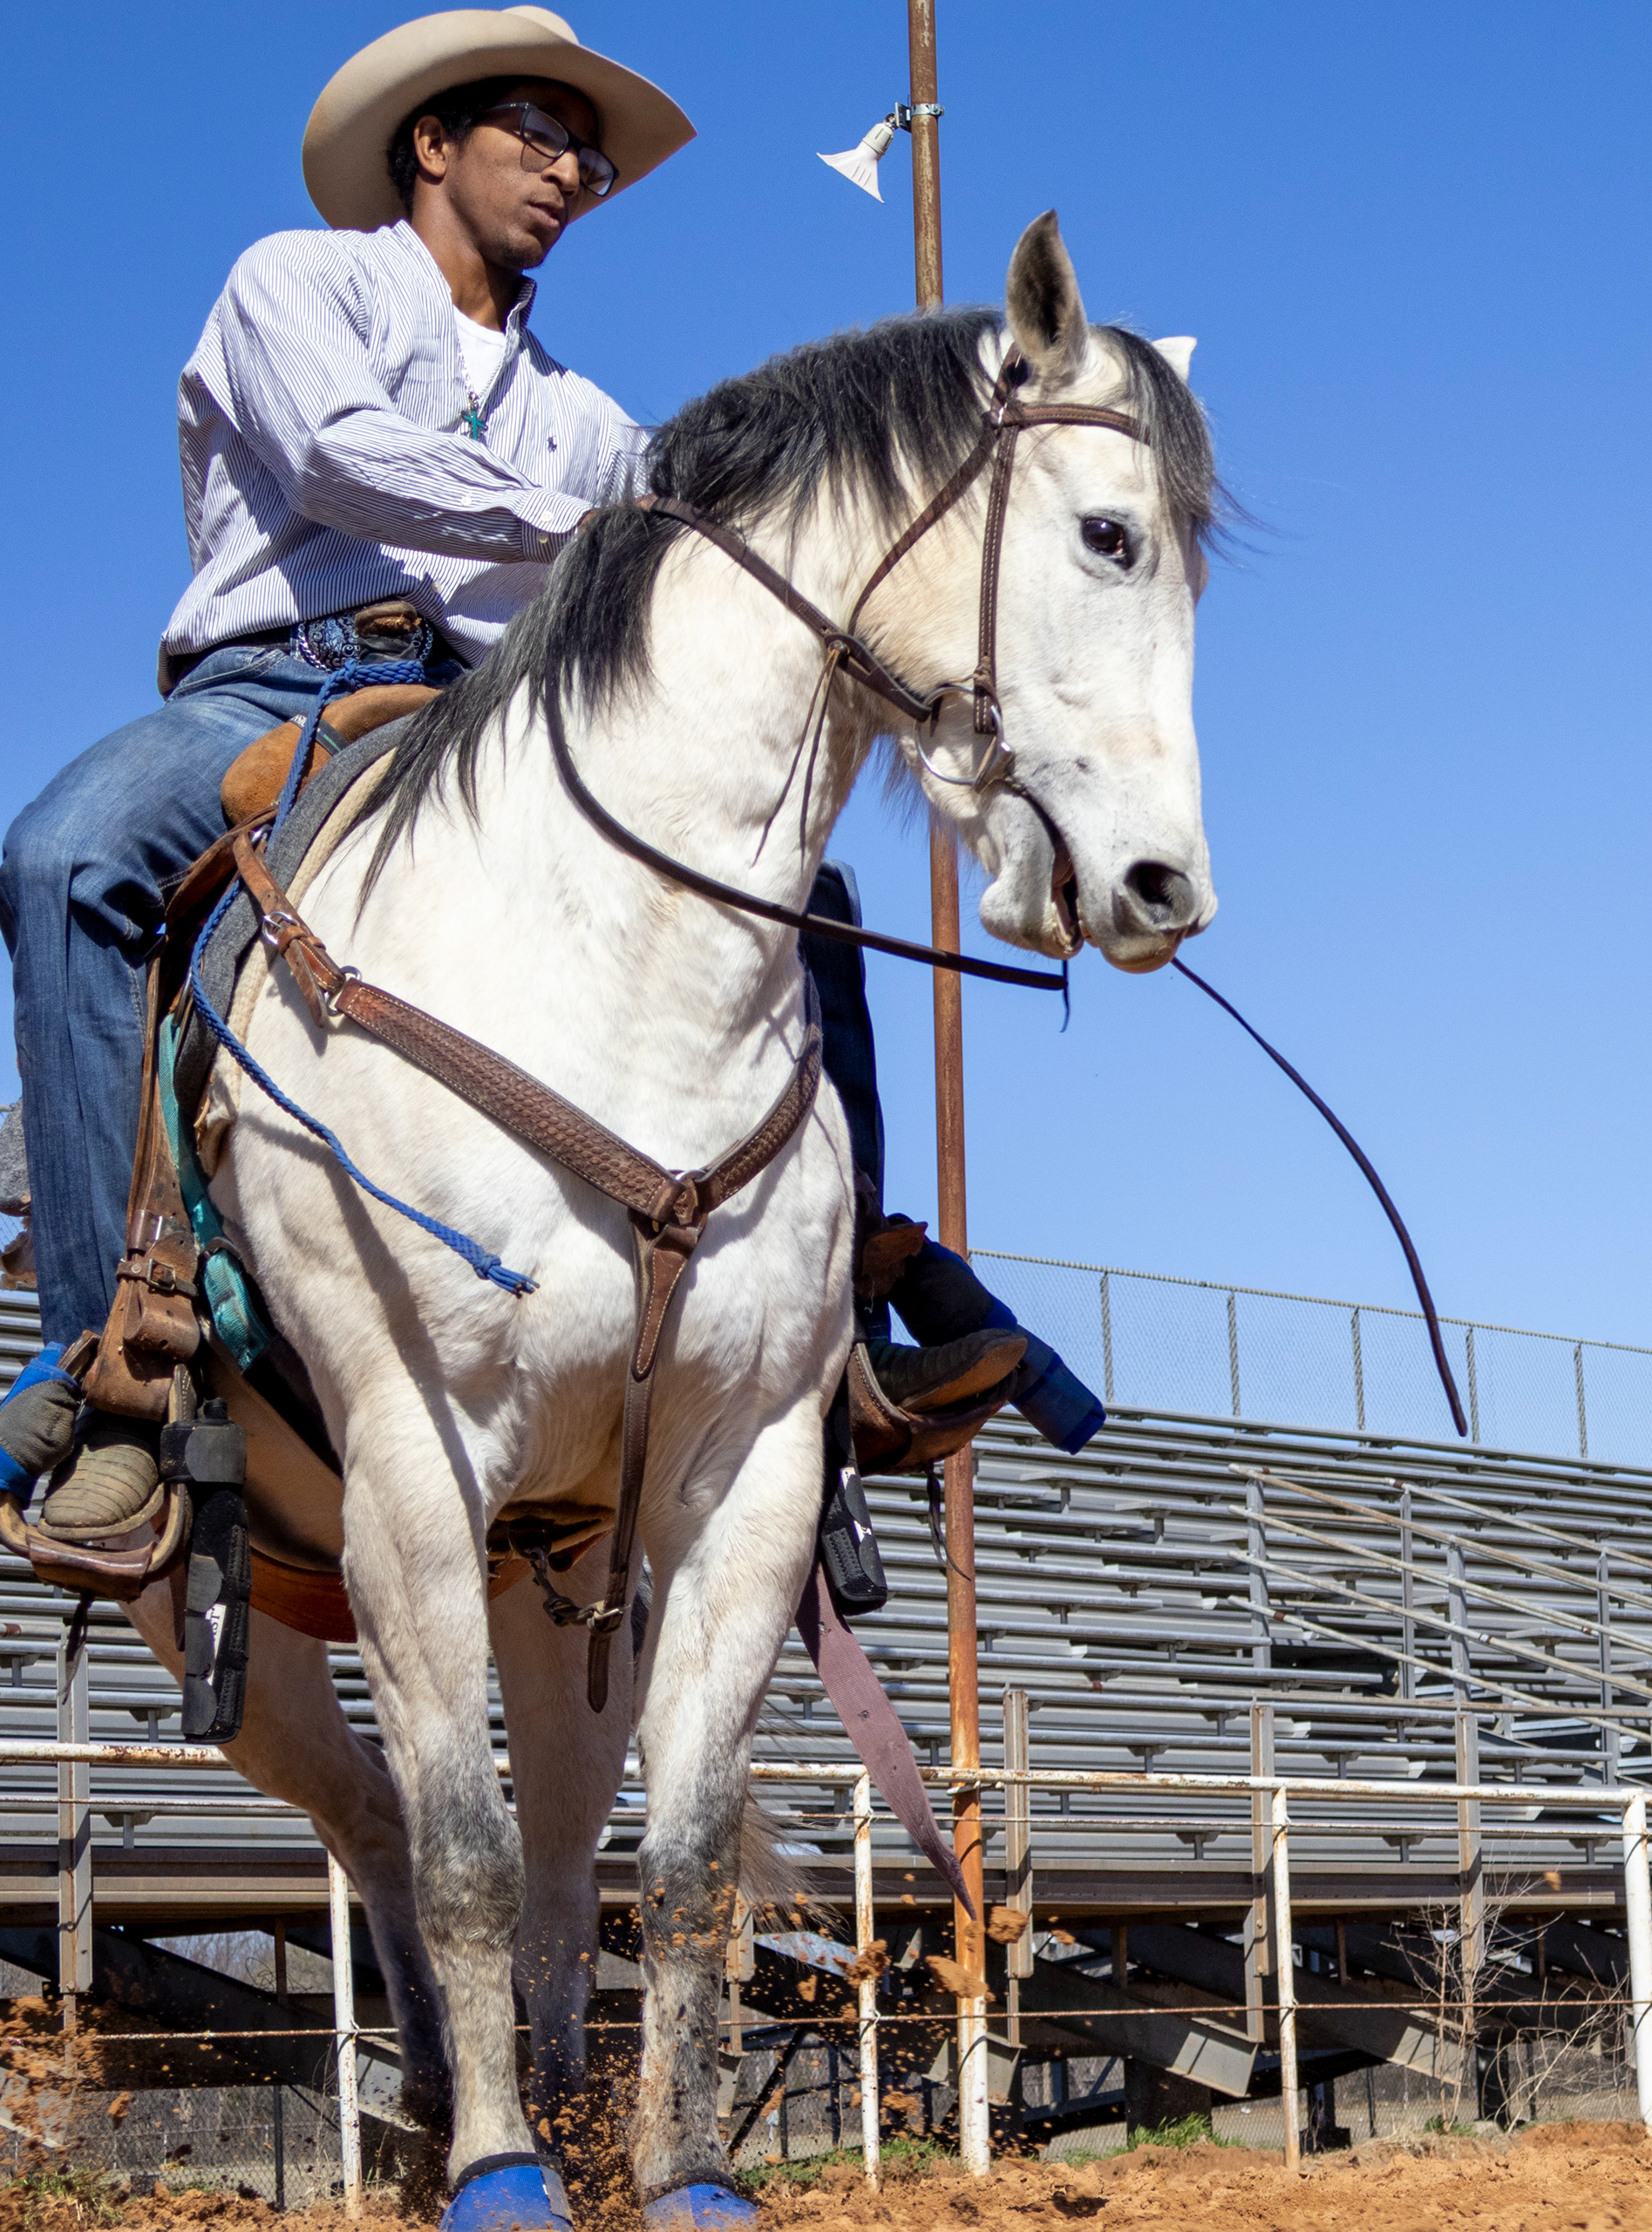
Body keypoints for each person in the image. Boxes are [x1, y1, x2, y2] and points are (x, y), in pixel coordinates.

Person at [0, 8, 1089, 1543]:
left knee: (810, 895)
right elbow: (337, 453)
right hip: (272, 682)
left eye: (588, 150)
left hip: (486, 712)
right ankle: (110, 1354)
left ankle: (839, 1329)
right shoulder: (294, 281)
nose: (574, 168)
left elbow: (696, 522)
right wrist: (584, 529)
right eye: (541, 130)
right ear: (430, 144)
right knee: (67, 852)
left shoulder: (581, 413)